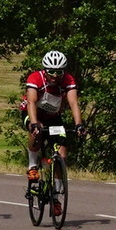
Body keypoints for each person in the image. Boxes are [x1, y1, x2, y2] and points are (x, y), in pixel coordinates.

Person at [22, 50, 86, 196]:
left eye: (59, 72)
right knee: (36, 129)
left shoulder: (68, 80)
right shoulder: (35, 77)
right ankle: (32, 165)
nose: (55, 76)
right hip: (33, 113)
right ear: (45, 70)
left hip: (53, 117)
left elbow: (73, 103)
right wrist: (34, 123)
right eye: (51, 71)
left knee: (61, 154)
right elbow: (31, 102)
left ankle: (55, 195)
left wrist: (79, 124)